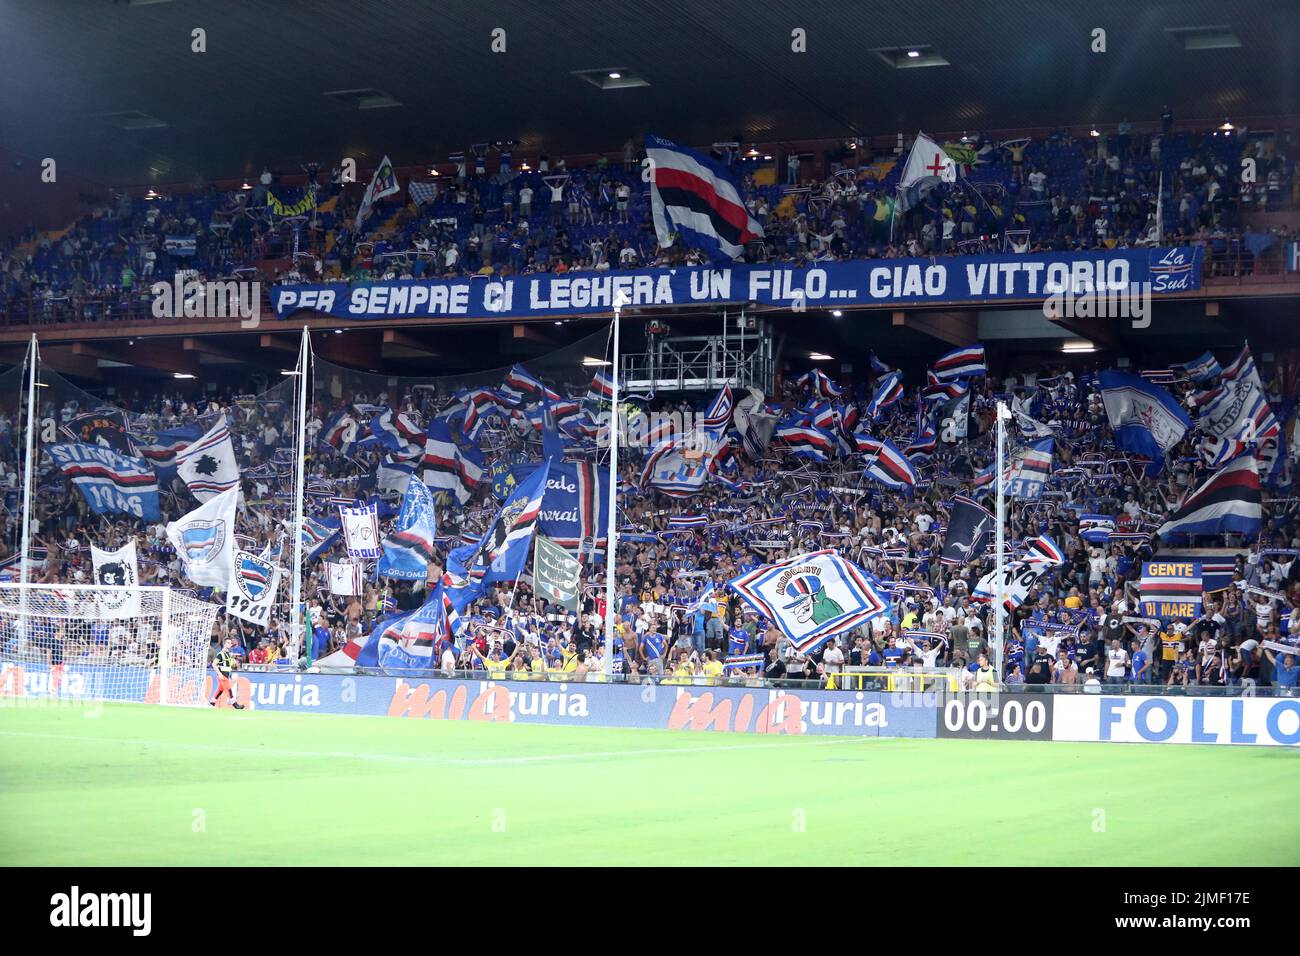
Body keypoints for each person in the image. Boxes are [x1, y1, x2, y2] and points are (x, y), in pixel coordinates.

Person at [210, 637, 244, 709]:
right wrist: (219, 674)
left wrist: (234, 663)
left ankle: (212, 702)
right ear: (224, 644)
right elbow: (214, 664)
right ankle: (235, 704)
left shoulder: (228, 654)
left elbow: (229, 664)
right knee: (229, 689)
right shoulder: (220, 654)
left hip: (227, 674)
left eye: (230, 643)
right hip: (222, 675)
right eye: (228, 643)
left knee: (220, 690)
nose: (230, 644)